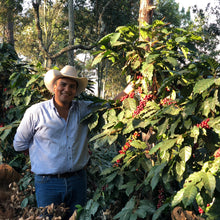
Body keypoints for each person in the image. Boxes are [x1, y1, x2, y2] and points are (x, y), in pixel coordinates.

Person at [13, 65, 133, 219]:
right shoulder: (36, 112)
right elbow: (19, 144)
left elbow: (110, 106)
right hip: (47, 183)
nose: (67, 89)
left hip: (78, 181)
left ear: (76, 91)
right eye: (63, 84)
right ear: (55, 86)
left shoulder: (83, 110)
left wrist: (131, 88)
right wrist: (42, 155)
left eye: (72, 86)